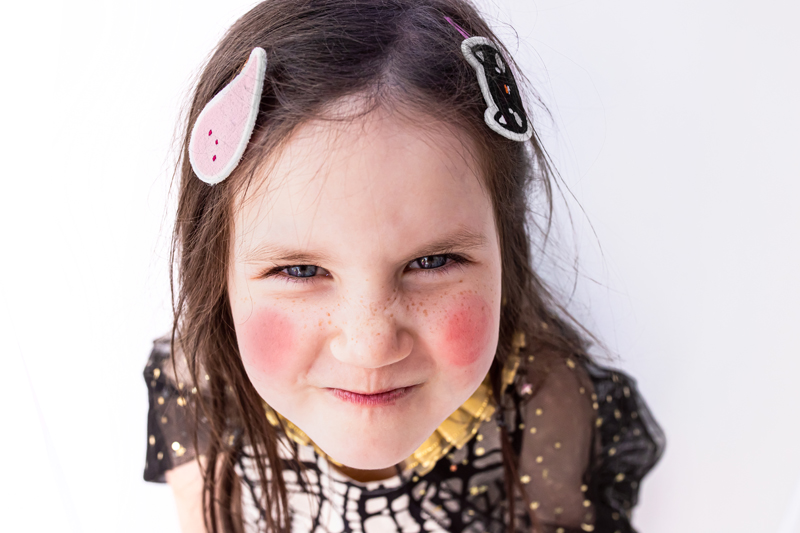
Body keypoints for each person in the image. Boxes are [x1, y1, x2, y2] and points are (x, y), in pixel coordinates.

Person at [142, 0, 665, 531]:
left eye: (432, 261)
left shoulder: (545, 403)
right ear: (217, 270)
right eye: (301, 271)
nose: (370, 344)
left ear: (506, 250)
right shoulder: (199, 383)